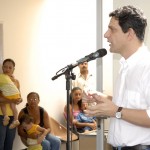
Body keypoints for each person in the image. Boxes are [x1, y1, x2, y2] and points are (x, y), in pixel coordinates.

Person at [83, 5, 150, 150]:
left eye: (112, 29)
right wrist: (105, 99)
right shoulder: (126, 66)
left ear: (130, 34)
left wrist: (115, 111)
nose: (106, 34)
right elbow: (133, 105)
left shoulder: (147, 67)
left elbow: (120, 110)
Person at [0, 58, 22, 150]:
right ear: (2, 68)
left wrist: (19, 99)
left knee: (9, 142)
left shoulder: (16, 81)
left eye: (10, 67)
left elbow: (19, 96)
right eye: (5, 67)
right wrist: (12, 101)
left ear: (13, 69)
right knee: (0, 142)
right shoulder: (1, 79)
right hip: (1, 115)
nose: (7, 69)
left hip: (13, 116)